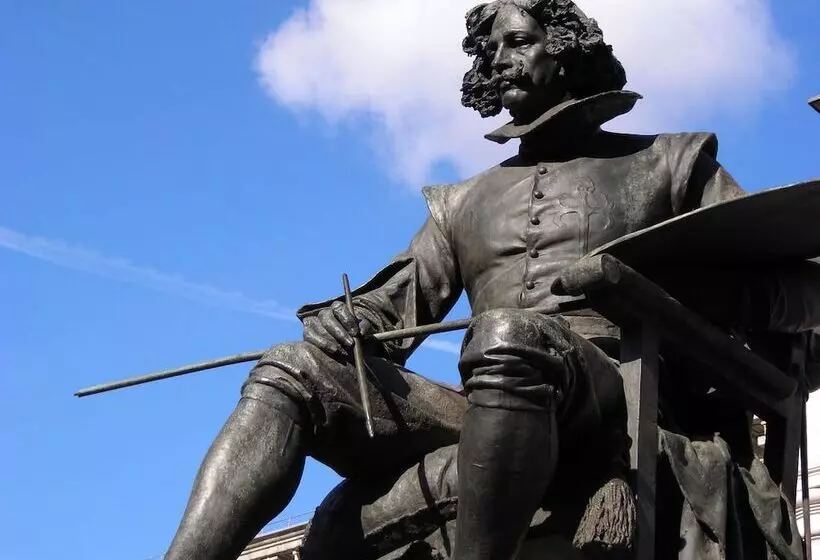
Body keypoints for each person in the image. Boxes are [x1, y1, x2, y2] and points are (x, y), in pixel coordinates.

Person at [164, 1, 806, 558]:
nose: (500, 60)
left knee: (507, 335)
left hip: (618, 397)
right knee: (288, 367)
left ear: (567, 49)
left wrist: (692, 295)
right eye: (489, 51)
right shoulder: (462, 201)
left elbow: (803, 291)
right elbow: (394, 306)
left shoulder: (672, 162)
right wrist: (351, 319)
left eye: (519, 42)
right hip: (491, 396)